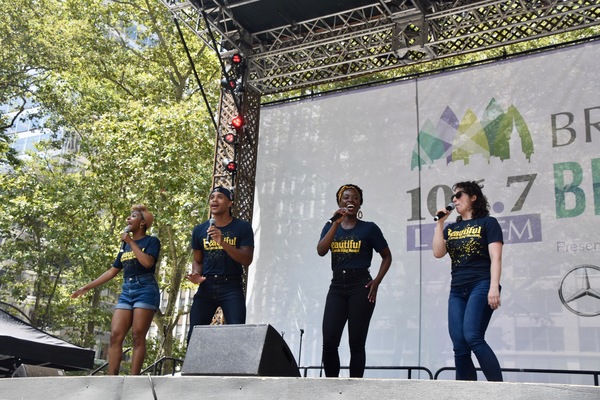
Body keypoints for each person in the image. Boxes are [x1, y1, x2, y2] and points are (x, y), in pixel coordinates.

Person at [72, 204, 160, 375]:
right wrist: (86, 287)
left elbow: (148, 263)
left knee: (137, 336)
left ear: (142, 223)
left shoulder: (151, 241)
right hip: (127, 289)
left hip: (145, 288)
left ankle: (134, 379)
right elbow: (113, 270)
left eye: (133, 216)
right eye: (129, 216)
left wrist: (131, 242)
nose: (128, 219)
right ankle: (112, 379)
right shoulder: (124, 246)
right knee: (115, 335)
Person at [317, 184, 392, 378]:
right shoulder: (330, 225)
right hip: (337, 285)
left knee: (356, 343)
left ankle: (354, 390)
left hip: (361, 285)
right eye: (346, 197)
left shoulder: (369, 228)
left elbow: (387, 256)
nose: (351, 200)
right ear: (340, 202)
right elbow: (321, 251)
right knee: (330, 341)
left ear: (359, 204)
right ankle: (332, 387)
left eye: (355, 198)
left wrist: (376, 281)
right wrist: (335, 223)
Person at [432, 181, 503, 382]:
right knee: (459, 346)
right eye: (453, 196)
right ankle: (465, 393)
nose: (454, 199)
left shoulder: (488, 223)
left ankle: (500, 390)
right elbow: (438, 252)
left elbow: (496, 257)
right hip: (457, 290)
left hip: (481, 284)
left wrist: (493, 287)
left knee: (473, 336)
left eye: (459, 195)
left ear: (473, 197)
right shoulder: (452, 228)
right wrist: (440, 224)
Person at [186, 186, 254, 344]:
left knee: (236, 334)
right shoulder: (200, 230)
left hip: (231, 285)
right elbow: (198, 260)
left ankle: (234, 368)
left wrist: (222, 241)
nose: (214, 200)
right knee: (194, 336)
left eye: (220, 197)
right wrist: (197, 275)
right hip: (207, 286)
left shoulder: (242, 227)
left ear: (230, 203)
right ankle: (193, 369)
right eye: (212, 197)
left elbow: (246, 259)